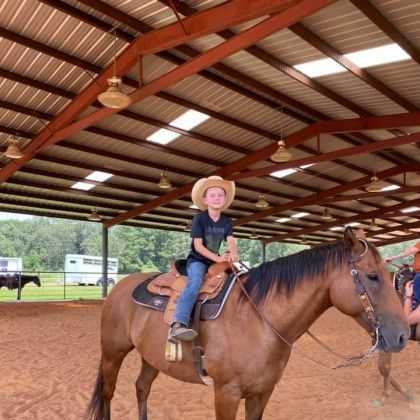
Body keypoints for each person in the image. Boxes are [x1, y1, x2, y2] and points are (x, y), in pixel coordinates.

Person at [169, 175, 239, 342]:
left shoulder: (227, 221)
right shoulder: (199, 219)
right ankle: (178, 323)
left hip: (217, 260)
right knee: (195, 282)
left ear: (225, 199)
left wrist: (233, 252)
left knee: (237, 278)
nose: (217, 198)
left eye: (220, 195)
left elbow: (230, 240)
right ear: (205, 200)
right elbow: (199, 246)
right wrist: (218, 258)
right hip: (198, 260)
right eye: (212, 195)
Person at [385, 241, 420, 320]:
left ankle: (414, 307)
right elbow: (415, 263)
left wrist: (393, 257)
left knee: (416, 282)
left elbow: (410, 251)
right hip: (416, 273)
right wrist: (405, 264)